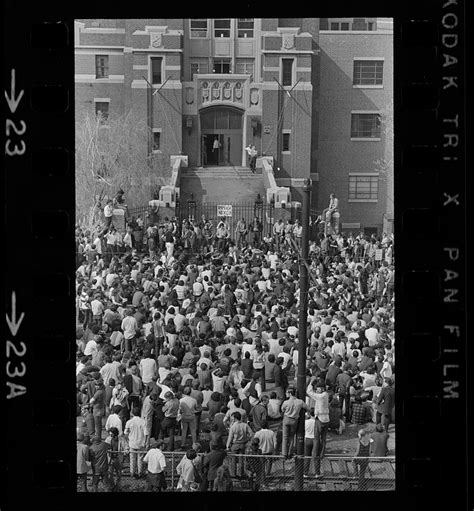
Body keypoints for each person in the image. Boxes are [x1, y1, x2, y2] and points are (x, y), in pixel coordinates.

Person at [281, 387, 306, 458]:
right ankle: (290, 452)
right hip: (294, 420)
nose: (286, 394)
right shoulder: (300, 402)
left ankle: (284, 453)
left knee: (285, 436)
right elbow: (307, 407)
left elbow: (282, 409)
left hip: (286, 419)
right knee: (292, 437)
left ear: (290, 393)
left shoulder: (286, 402)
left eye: (287, 392)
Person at [124, 406, 146, 479]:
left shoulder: (129, 422)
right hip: (140, 443)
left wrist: (128, 439)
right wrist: (145, 442)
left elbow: (126, 433)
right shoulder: (143, 422)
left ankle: (132, 473)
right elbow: (146, 433)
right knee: (140, 458)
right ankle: (140, 472)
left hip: (132, 443)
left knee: (132, 458)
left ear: (132, 413)